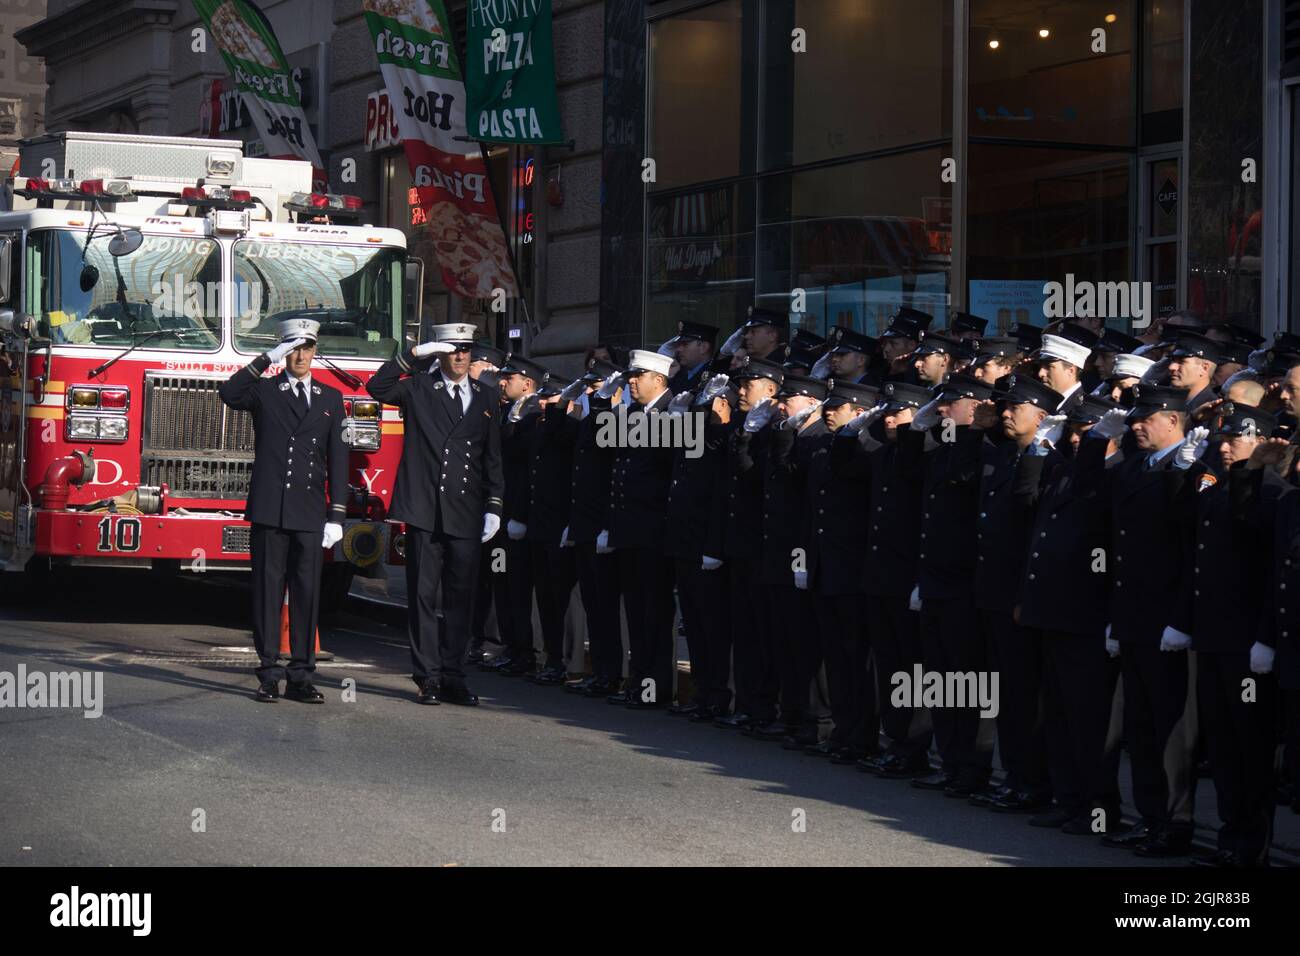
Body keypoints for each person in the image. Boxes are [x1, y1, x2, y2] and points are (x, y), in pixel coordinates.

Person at [1077, 384, 1198, 856]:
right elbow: (1089, 494)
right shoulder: (1133, 466)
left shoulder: (1187, 468)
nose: (1136, 424)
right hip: (1131, 618)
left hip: (1167, 622)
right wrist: (1093, 441)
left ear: (1173, 420)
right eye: (1134, 417)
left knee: (1172, 731)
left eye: (1146, 417)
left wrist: (1181, 618)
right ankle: (1151, 818)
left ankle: (1177, 822)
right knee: (1142, 729)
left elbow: (1191, 545)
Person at [366, 322, 504, 706]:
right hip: (425, 508)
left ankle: (454, 675)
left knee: (462, 598)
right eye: (453, 349)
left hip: (466, 510)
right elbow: (376, 388)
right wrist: (412, 354)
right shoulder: (421, 388)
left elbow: (492, 458)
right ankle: (428, 676)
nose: (461, 356)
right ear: (440, 352)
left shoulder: (485, 395)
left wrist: (494, 505)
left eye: (466, 350)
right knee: (423, 596)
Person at [219, 318, 348, 704]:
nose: (301, 356)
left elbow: (338, 459)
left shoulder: (329, 398)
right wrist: (266, 359)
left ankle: (302, 676)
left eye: (307, 348)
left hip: (309, 511)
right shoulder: (266, 391)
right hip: (270, 509)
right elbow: (229, 392)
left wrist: (337, 516)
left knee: (308, 595)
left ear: (315, 351)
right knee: (267, 592)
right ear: (283, 351)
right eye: (292, 348)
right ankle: (269, 672)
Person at [1173, 405, 1280, 866]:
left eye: (1237, 438)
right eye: (1224, 437)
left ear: (1262, 443)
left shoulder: (1272, 491)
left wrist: (1266, 635)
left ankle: (1251, 843)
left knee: (1250, 745)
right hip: (1214, 637)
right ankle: (1230, 835)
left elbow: (1260, 544)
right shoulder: (1216, 483)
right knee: (1222, 746)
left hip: (1249, 642)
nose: (1225, 444)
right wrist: (1188, 470)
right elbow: (1186, 536)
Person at [1018, 395, 1125, 834]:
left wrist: (1098, 445)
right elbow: (1029, 507)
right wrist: (1040, 449)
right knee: (1058, 715)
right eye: (1076, 433)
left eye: (1089, 434)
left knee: (1089, 721)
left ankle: (1098, 809)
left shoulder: (1110, 476)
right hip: (1053, 612)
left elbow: (1091, 491)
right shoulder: (1063, 471)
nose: (1079, 440)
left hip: (1086, 616)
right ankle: (1069, 799)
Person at [897, 373, 997, 796]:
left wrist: (973, 433)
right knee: (939, 678)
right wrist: (916, 428)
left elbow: (967, 480)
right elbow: (907, 474)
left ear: (974, 408)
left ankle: (972, 767)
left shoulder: (984, 449)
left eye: (949, 403)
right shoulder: (943, 449)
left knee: (968, 680)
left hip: (965, 586)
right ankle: (951, 760)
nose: (940, 409)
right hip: (935, 582)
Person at [707, 358, 786, 729]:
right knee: (743, 629)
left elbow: (752, 477)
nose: (740, 391)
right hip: (738, 543)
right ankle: (747, 702)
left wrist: (749, 436)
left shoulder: (775, 428)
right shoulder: (742, 422)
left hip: (762, 545)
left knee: (765, 633)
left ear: (770, 390)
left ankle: (763, 706)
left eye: (748, 385)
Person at [602, 349, 678, 709]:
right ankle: (639, 681)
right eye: (630, 377)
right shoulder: (633, 413)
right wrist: (603, 402)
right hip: (629, 530)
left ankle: (654, 687)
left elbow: (677, 466)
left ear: (658, 380)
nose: (630, 382)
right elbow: (599, 449)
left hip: (655, 532)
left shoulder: (673, 413)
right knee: (635, 611)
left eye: (637, 377)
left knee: (655, 615)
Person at [484, 354, 548, 676]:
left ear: (528, 383)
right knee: (503, 583)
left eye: (510, 377)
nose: (503, 381)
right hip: (500, 514)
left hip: (517, 516)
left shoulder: (534, 412)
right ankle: (511, 646)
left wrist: (519, 515)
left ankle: (524, 650)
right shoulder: (509, 410)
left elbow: (524, 464)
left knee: (519, 587)